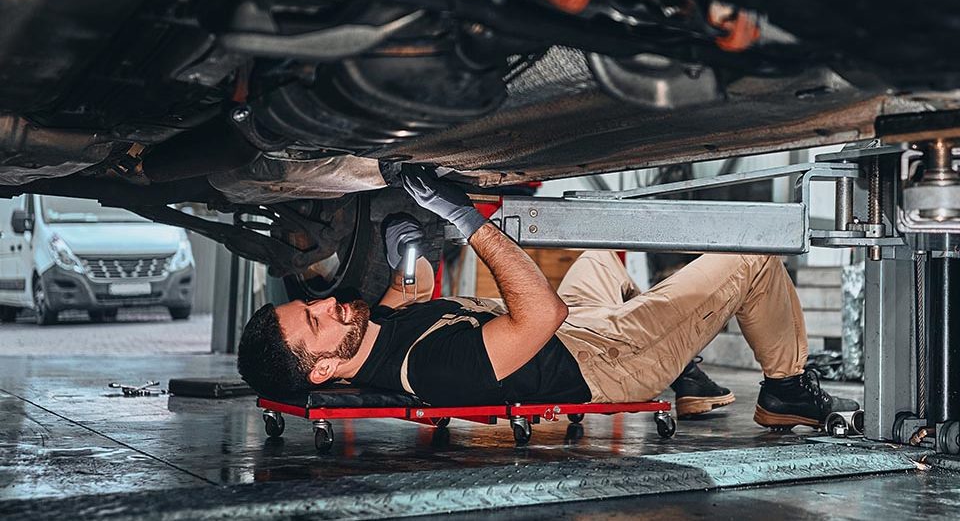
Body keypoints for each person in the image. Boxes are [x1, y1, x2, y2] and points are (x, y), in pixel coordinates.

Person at [237, 166, 858, 430]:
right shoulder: (429, 368)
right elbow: (543, 313)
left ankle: (686, 368)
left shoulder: (374, 338)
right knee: (748, 257)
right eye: (315, 322)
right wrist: (467, 221)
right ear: (321, 369)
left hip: (577, 334)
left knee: (598, 251)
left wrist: (405, 248)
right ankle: (785, 390)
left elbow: (410, 297)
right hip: (606, 362)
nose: (327, 304)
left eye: (309, 304)